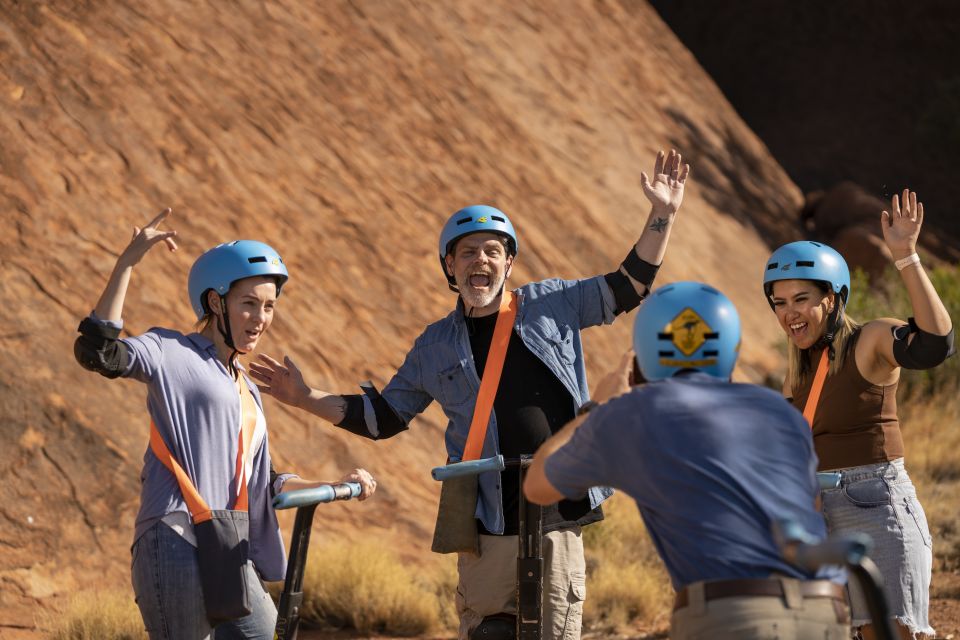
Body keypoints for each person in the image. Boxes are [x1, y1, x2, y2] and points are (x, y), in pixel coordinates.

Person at [249, 150, 690, 640]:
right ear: (450, 267)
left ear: (509, 261)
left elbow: (630, 285)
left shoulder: (553, 303)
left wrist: (662, 214)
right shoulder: (434, 345)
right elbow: (383, 418)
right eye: (468, 252)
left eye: (492, 250)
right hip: (487, 529)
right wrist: (305, 396)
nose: (481, 259)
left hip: (558, 516)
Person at [73, 209, 377, 640]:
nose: (261, 318)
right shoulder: (171, 350)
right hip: (174, 537)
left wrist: (333, 484)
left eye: (269, 306)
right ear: (216, 303)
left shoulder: (248, 389)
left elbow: (264, 485)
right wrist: (127, 263)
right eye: (248, 303)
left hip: (229, 545)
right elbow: (98, 353)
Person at [523, 281, 851, 640]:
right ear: (729, 348)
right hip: (825, 610)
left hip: (731, 614)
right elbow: (810, 504)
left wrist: (598, 409)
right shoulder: (778, 410)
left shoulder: (631, 414)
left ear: (644, 356)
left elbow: (538, 484)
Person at [761, 190, 953, 639]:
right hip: (815, 520)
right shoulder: (796, 377)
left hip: (876, 509)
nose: (789, 313)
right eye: (779, 302)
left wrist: (905, 257)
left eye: (801, 298)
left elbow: (935, 345)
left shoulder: (870, 340)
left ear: (832, 298)